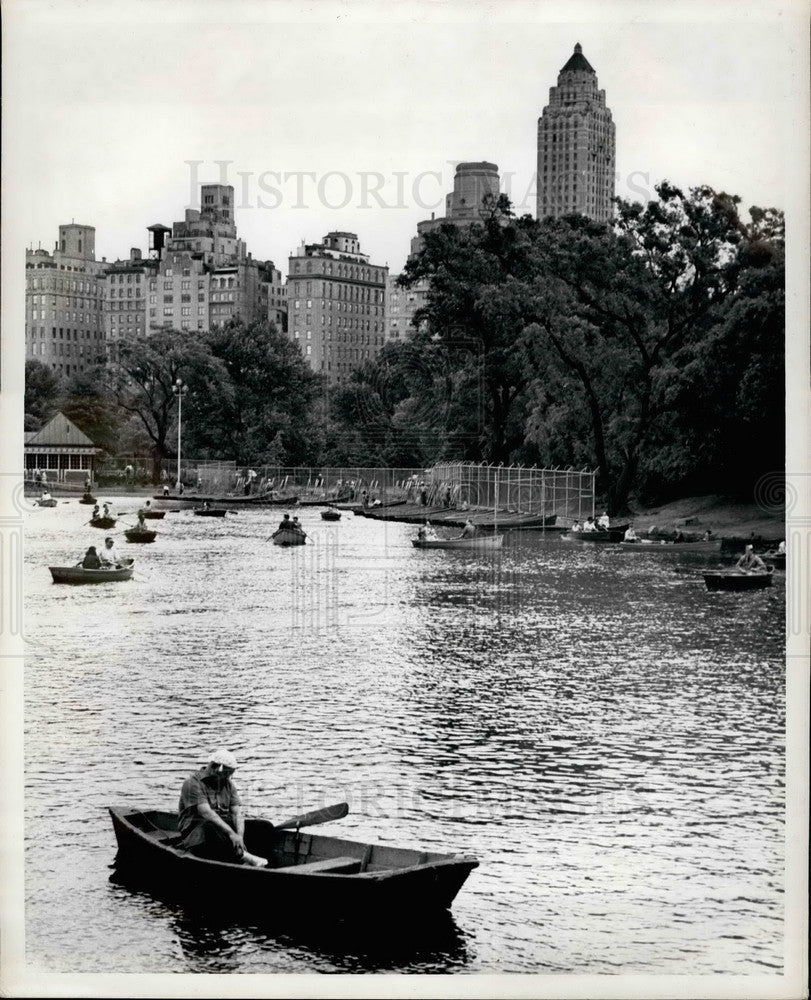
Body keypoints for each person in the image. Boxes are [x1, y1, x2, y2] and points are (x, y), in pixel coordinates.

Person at [177, 749, 267, 867]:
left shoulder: (228, 784)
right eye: (227, 774)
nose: (229, 778)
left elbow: (237, 813)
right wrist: (231, 833)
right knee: (210, 825)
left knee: (264, 826)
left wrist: (239, 836)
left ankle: (252, 858)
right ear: (216, 769)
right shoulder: (192, 783)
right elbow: (206, 813)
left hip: (220, 829)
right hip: (197, 833)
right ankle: (242, 857)